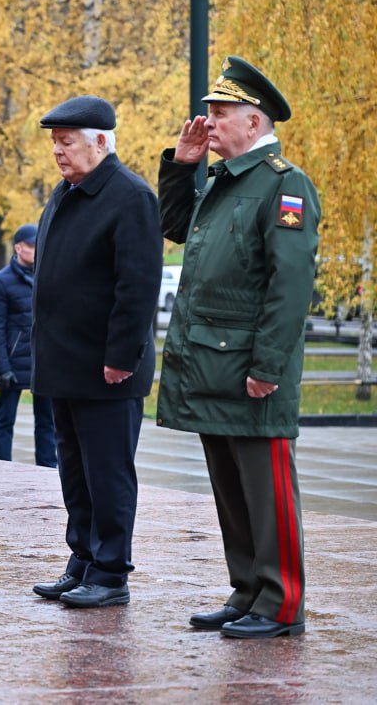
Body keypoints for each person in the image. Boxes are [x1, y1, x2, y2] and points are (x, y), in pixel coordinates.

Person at [156, 57, 319, 639]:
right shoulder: (225, 182)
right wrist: (182, 165)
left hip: (251, 368)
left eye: (220, 114)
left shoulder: (282, 184)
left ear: (254, 122)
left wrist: (269, 365)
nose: (209, 123)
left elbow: (290, 284)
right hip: (211, 361)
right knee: (230, 486)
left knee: (266, 489)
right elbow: (173, 225)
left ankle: (281, 603)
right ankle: (247, 590)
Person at [30, 95, 162, 608]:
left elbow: (137, 285)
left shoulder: (130, 196)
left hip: (106, 367)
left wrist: (122, 356)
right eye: (56, 144)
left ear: (100, 142)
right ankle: (81, 559)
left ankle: (110, 573)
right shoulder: (67, 192)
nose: (59, 153)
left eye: (67, 143)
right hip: (64, 363)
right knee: (76, 472)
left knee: (107, 474)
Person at [0, 223, 56, 467]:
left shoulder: (48, 276)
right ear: (18, 247)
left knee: (48, 421)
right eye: (32, 246)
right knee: (5, 419)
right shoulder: (1, 282)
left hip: (45, 362)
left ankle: (48, 469)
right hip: (14, 362)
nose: (37, 250)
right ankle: (0, 467)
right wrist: (1, 369)